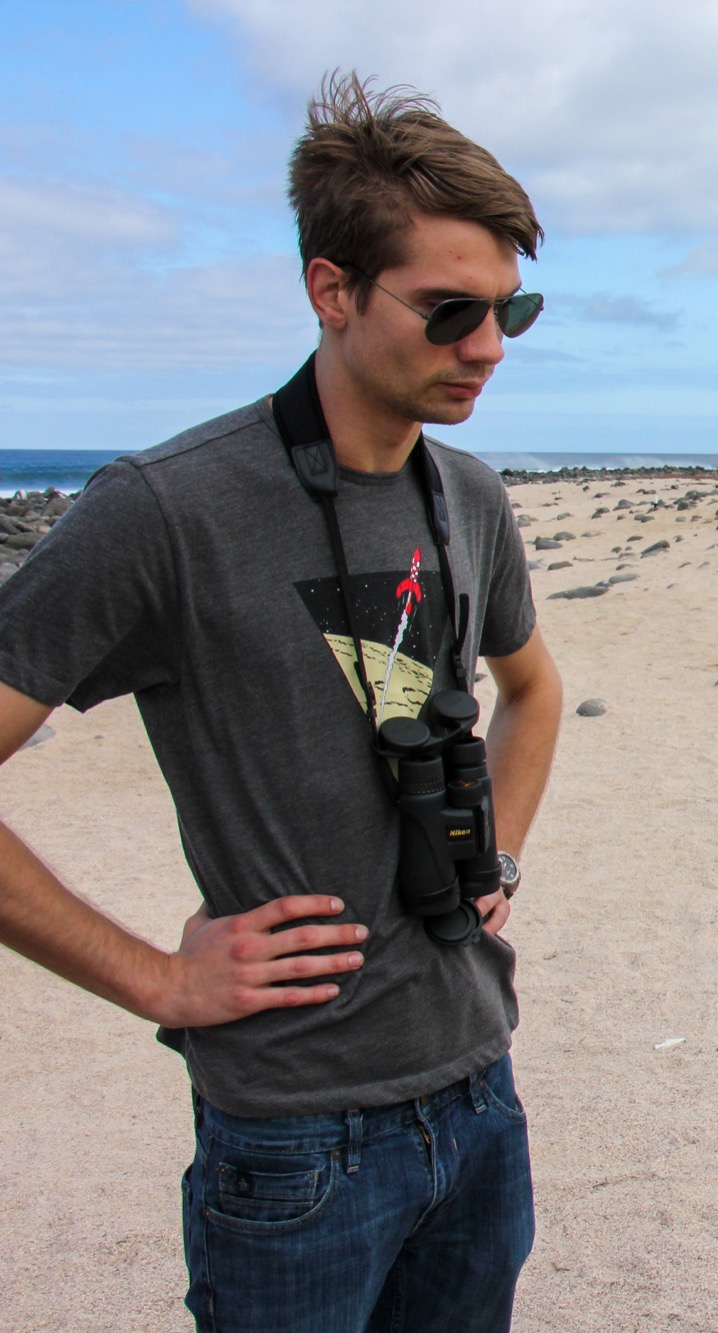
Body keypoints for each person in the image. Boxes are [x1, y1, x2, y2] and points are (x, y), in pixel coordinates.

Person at [0, 75, 563, 1331]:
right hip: (297, 1137)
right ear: (330, 290)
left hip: (479, 1081)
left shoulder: (467, 496)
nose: (487, 347)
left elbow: (532, 691)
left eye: (510, 310)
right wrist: (154, 978)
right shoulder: (164, 508)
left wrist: (499, 848)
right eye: (450, 311)